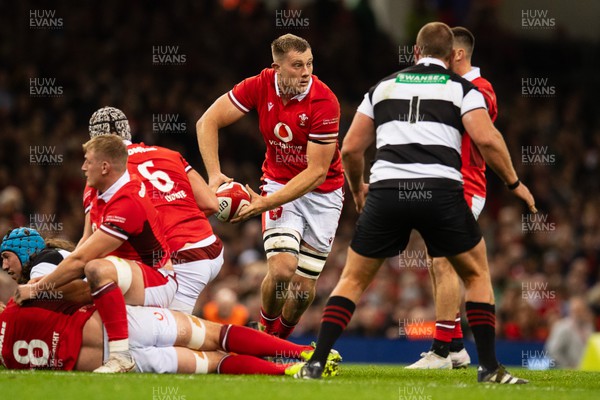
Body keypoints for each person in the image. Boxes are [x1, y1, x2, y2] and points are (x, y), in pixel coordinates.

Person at [296, 22, 537, 383]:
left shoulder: (382, 86)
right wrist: (514, 182)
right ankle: (488, 368)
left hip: (387, 191)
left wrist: (359, 187)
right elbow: (487, 140)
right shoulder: (462, 88)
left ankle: (315, 363)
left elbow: (349, 147)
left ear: (415, 52)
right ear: (450, 55)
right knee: (476, 274)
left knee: (352, 280)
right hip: (441, 192)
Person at [197, 34, 344, 338]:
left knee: (303, 288)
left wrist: (265, 203)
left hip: (324, 194)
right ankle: (264, 334)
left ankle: (280, 341)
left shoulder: (325, 101)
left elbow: (317, 172)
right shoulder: (259, 85)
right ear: (276, 67)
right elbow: (206, 122)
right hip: (279, 182)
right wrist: (214, 175)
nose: (306, 72)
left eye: (310, 63)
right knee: (281, 271)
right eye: (297, 65)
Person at [15, 135, 177, 373]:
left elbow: (83, 260)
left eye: (87, 161)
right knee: (67, 286)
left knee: (94, 269)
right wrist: (51, 283)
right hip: (127, 275)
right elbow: (84, 243)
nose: (82, 168)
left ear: (104, 167)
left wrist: (37, 289)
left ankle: (120, 356)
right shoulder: (100, 191)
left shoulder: (127, 202)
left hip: (157, 279)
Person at [407, 26, 498, 370]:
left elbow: (477, 130)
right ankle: (457, 347)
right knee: (437, 262)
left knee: (443, 261)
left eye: (442, 55)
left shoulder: (481, 90)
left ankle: (441, 352)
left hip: (465, 187)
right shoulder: (447, 87)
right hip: (440, 185)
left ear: (456, 55)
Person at [83, 106, 223, 315]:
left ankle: (261, 344)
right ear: (128, 131)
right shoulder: (169, 154)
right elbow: (211, 203)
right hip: (211, 248)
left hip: (179, 261)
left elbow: (91, 239)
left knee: (170, 338)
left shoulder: (104, 173)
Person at [0, 294, 339, 376]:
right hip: (114, 326)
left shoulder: (6, 359)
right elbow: (78, 290)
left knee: (211, 362)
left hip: (107, 361)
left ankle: (287, 371)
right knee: (214, 334)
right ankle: (301, 353)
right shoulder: (18, 304)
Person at [545, 296, 594, 368]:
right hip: (568, 372)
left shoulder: (589, 327)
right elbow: (552, 351)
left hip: (586, 370)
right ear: (570, 311)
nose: (580, 313)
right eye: (577, 310)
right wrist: (567, 366)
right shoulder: (562, 327)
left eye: (582, 310)